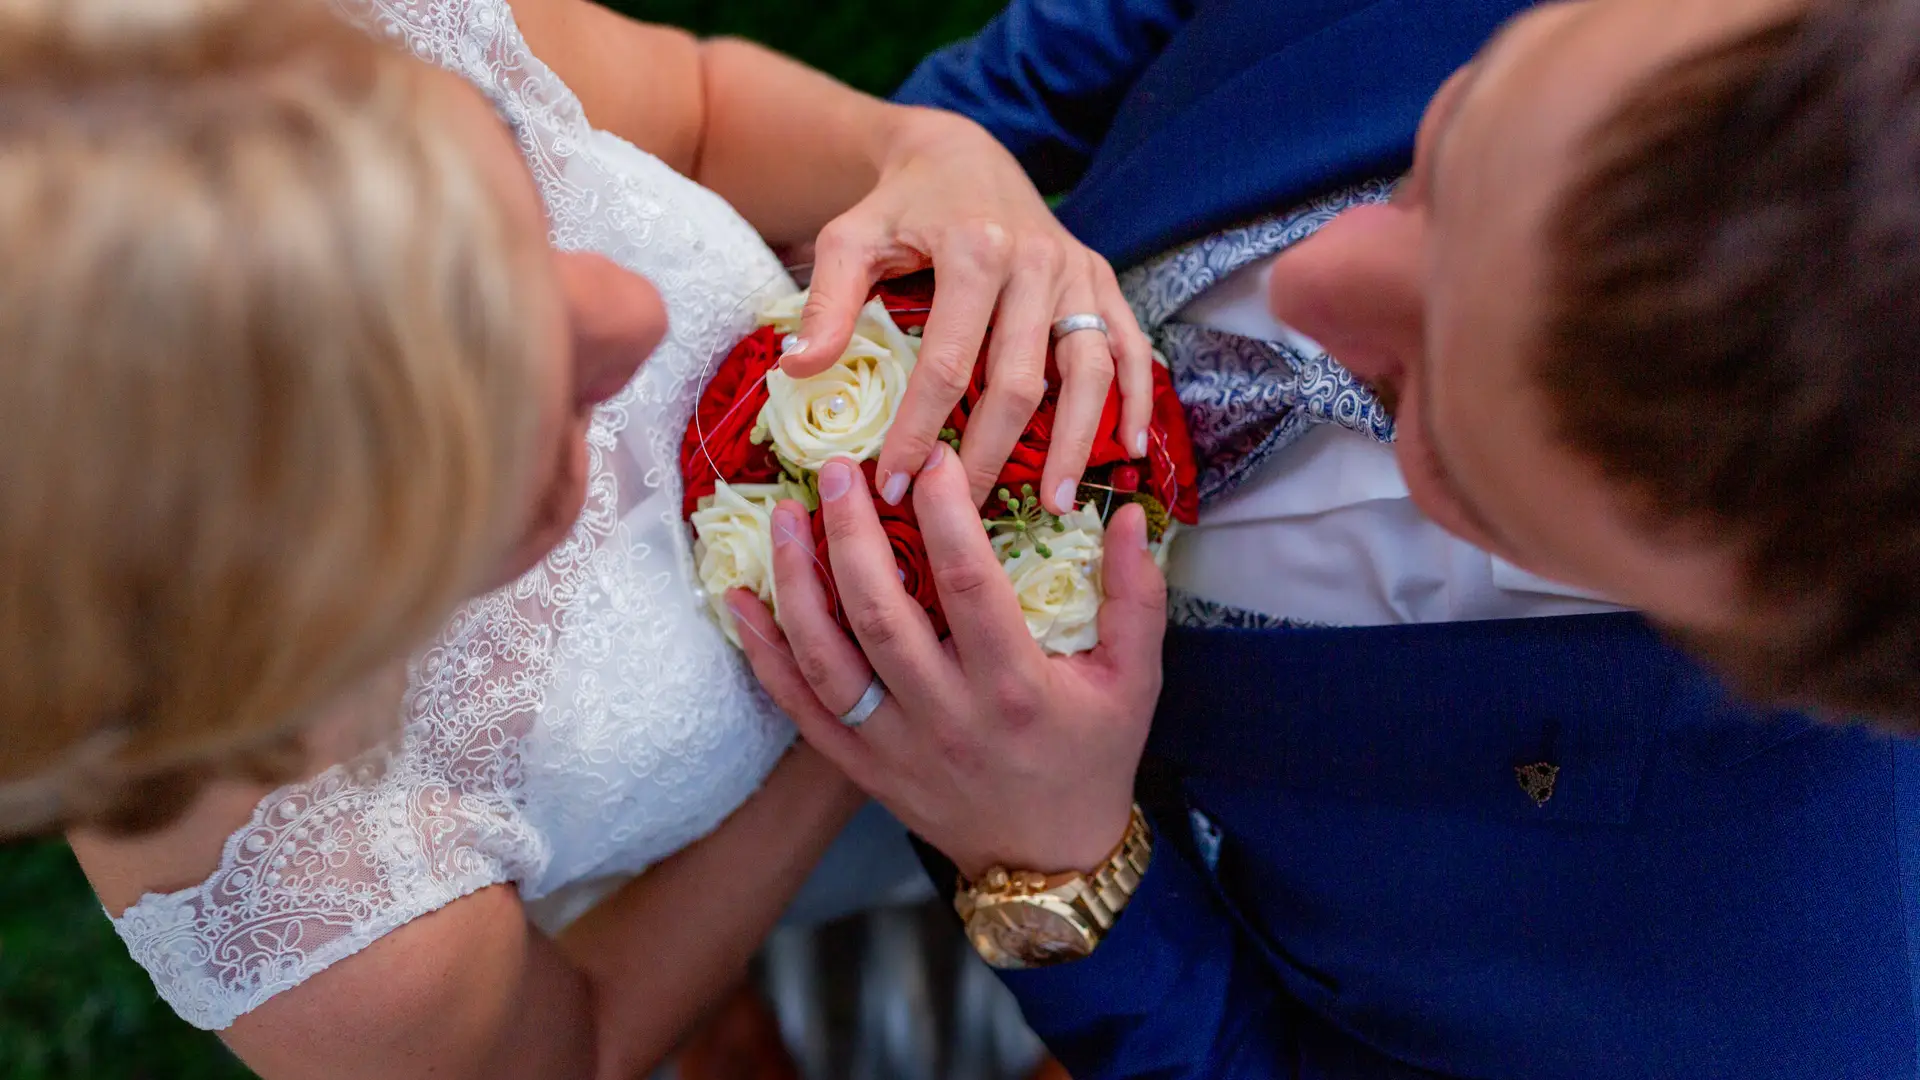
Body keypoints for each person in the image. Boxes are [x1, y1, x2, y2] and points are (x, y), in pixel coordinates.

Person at [737, 0, 1920, 1076]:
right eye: (1442, 162)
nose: (1306, 281)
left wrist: (1059, 867)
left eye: (1419, 413)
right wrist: (928, 156)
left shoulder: (1805, 1016)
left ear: (1738, 649)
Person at [0, 0, 1157, 1076]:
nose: (638, 315)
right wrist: (869, 729)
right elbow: (584, 1034)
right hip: (729, 857)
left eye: (526, 209)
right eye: (525, 419)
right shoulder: (311, 894)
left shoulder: (319, 64)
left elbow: (698, 105)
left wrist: (923, 154)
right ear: (331, 644)